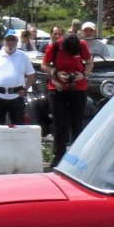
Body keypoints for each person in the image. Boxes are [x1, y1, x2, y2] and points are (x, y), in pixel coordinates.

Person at [42, 31, 90, 162]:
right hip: (58, 88)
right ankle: (58, 157)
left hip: (78, 88)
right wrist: (56, 73)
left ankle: (77, 156)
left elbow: (90, 64)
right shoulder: (54, 46)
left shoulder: (82, 45)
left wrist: (83, 74)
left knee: (77, 123)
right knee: (60, 123)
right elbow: (44, 65)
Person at [0, 28, 36, 126]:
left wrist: (25, 89)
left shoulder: (23, 56)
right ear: (4, 41)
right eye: (8, 39)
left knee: (18, 127)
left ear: (17, 41)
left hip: (16, 97)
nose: (11, 42)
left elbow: (31, 76)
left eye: (13, 40)